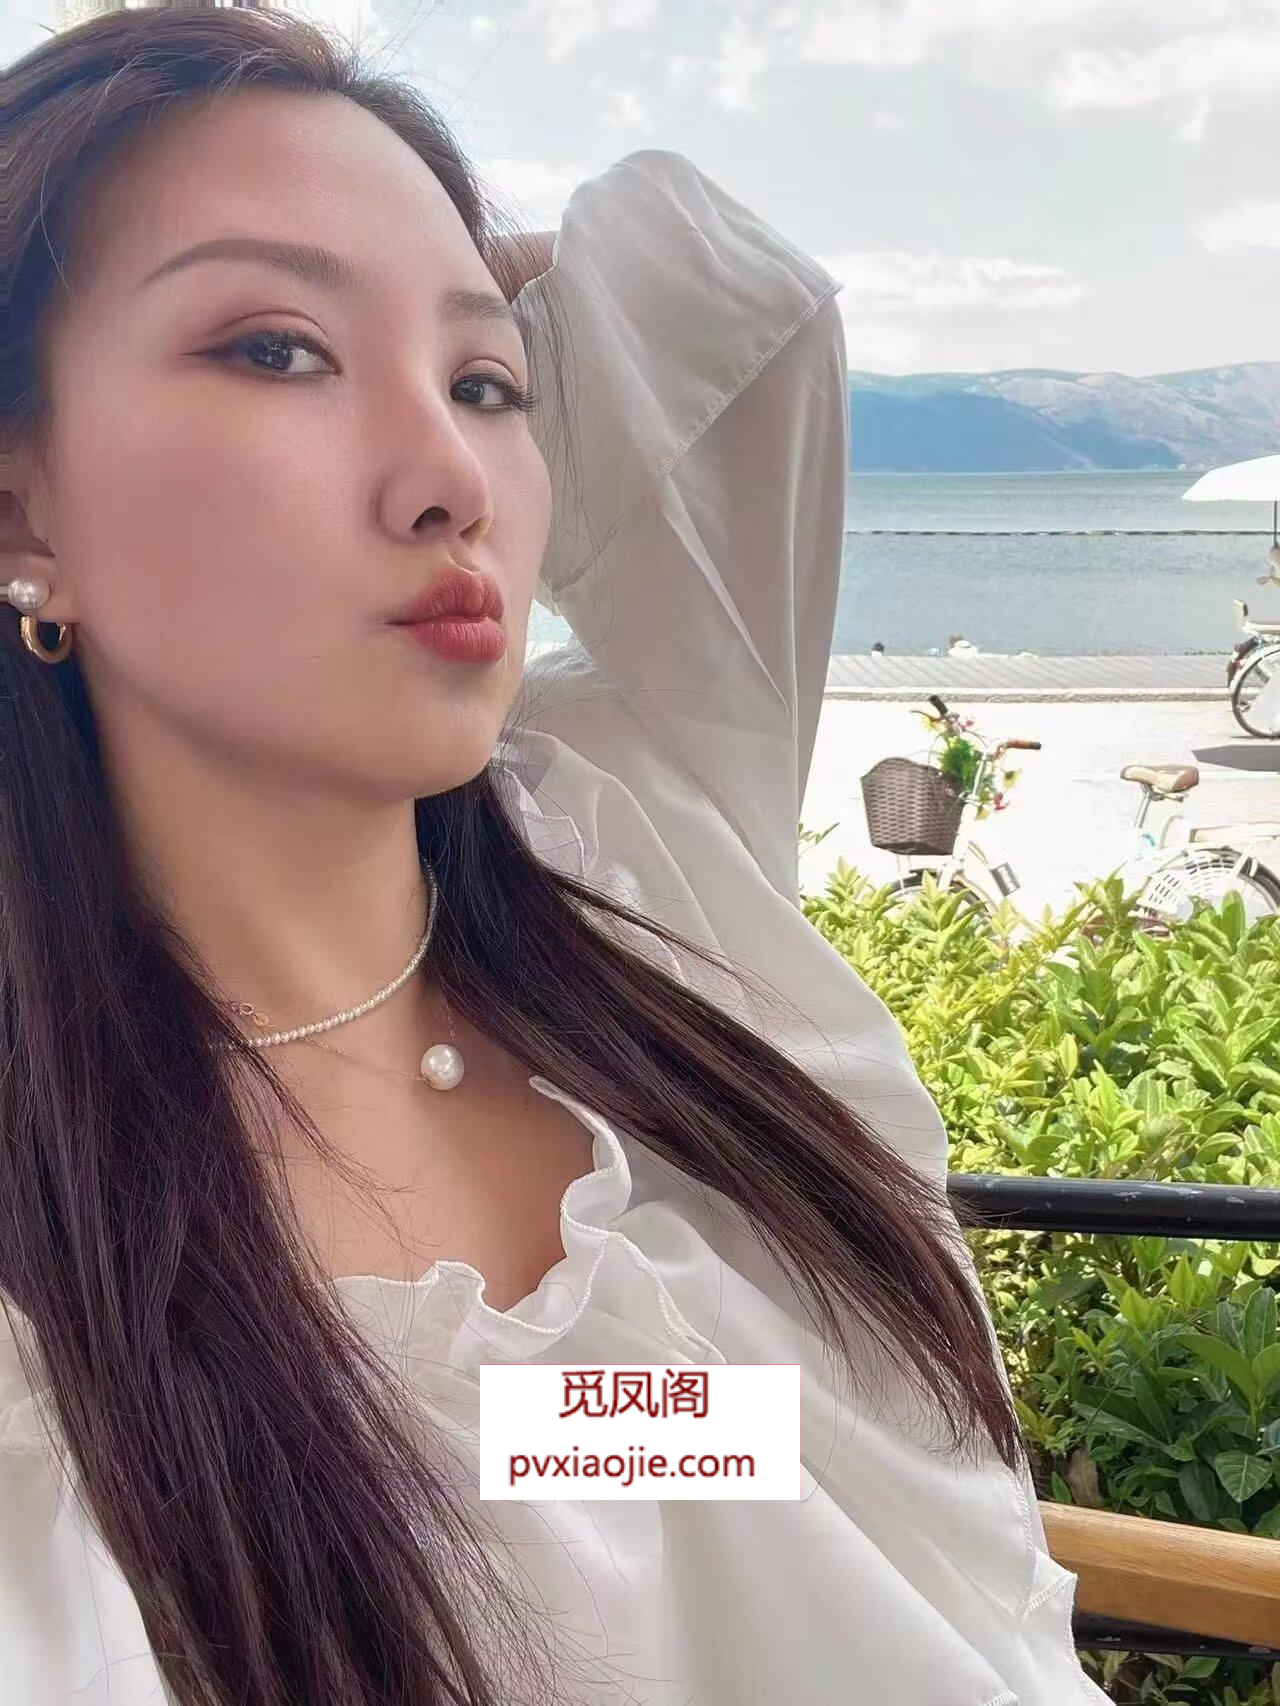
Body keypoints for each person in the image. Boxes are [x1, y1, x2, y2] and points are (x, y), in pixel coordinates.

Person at [0, 7, 1108, 1704]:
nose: (453, 476)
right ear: (23, 509)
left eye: (491, 386)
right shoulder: (49, 1309)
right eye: (275, 350)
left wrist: (359, 178)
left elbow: (625, 1474)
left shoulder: (636, 862)